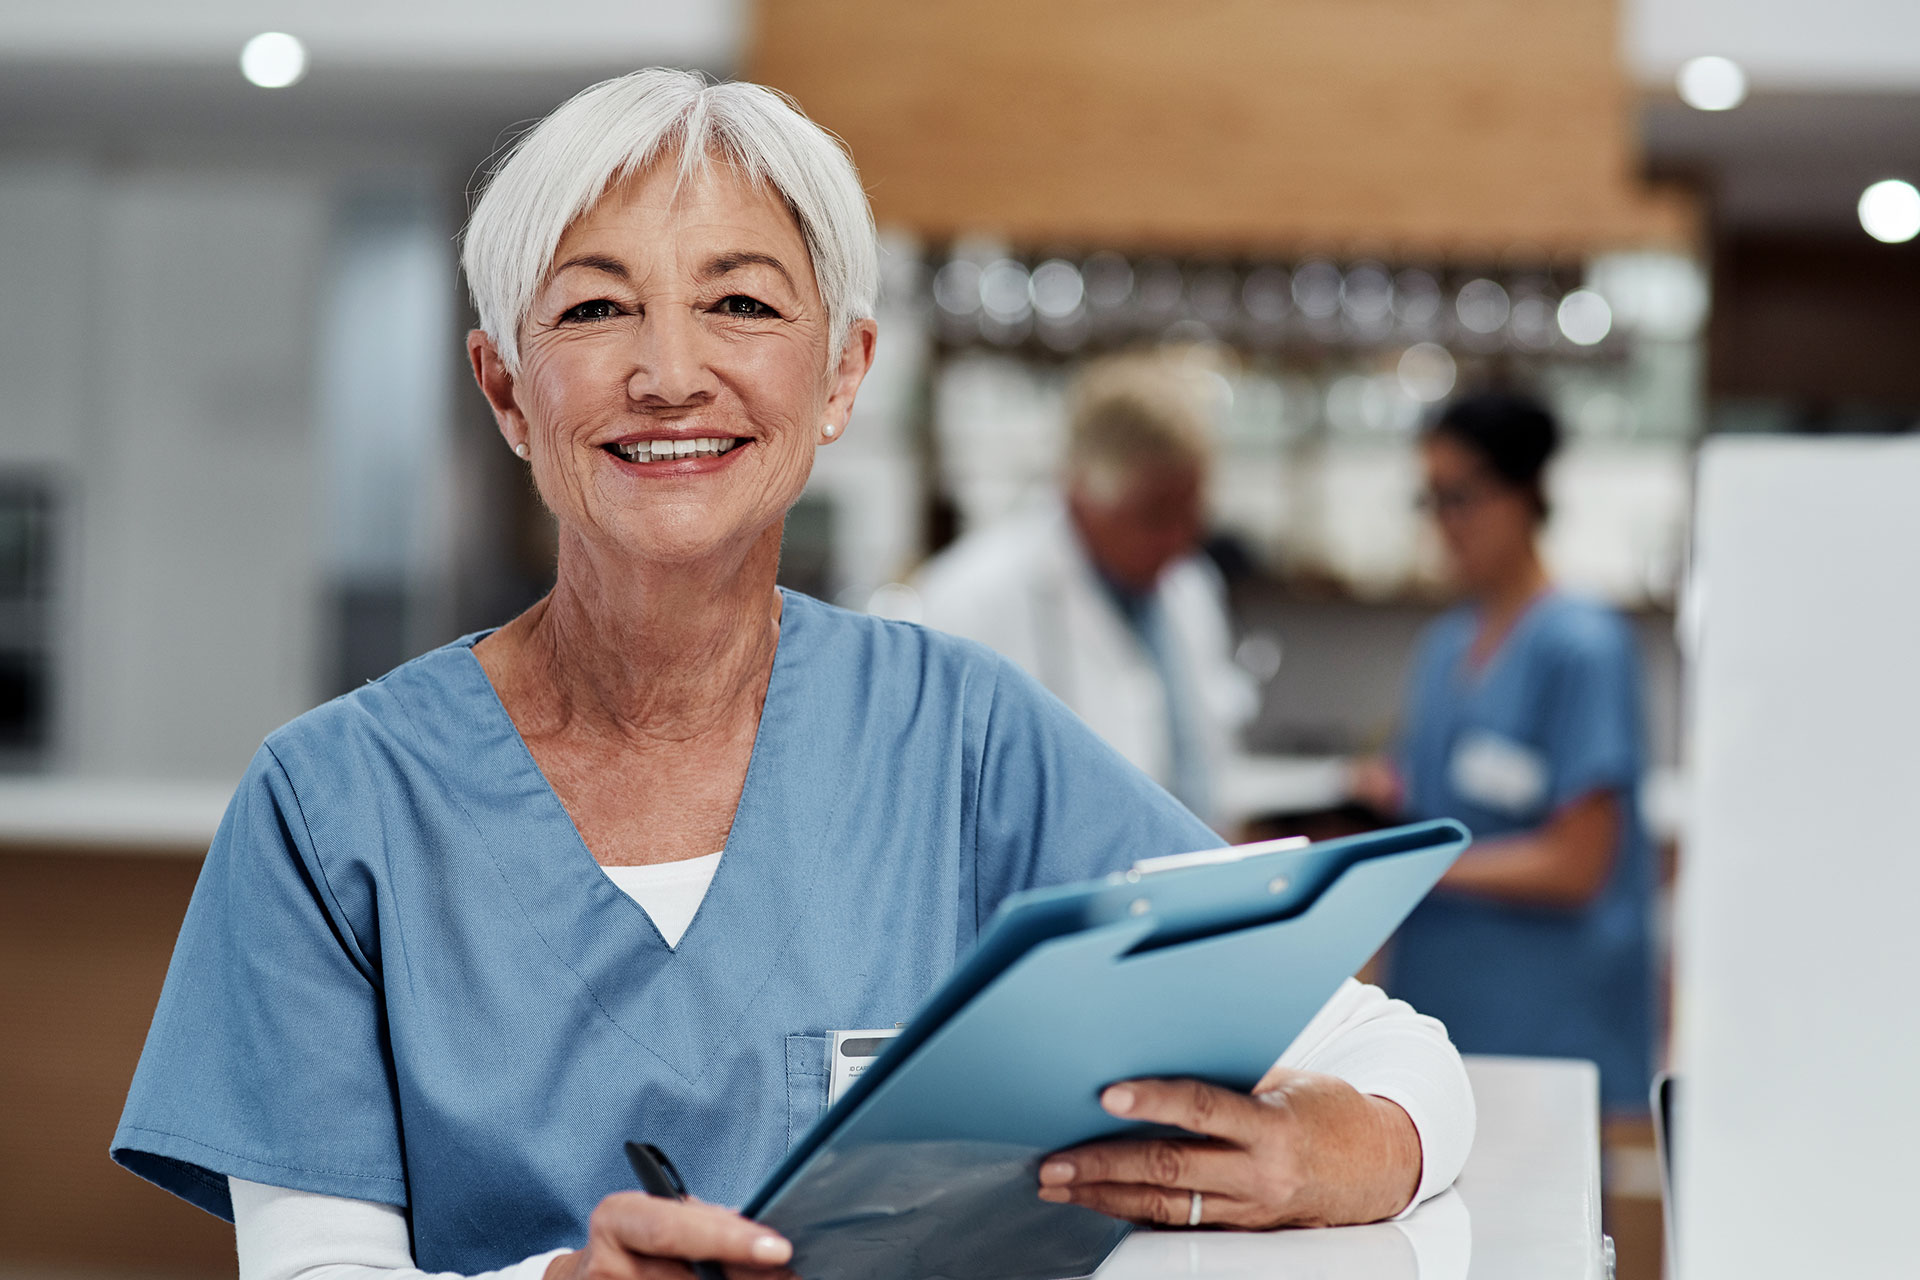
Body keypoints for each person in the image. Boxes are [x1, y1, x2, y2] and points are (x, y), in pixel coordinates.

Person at [112, 69, 1474, 1280]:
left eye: (741, 303)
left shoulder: (960, 736)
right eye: (595, 307)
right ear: (508, 390)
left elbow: (1390, 1049)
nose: (670, 372)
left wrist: (1336, 1151)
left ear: (840, 374)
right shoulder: (331, 807)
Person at [1353, 392, 1654, 1112]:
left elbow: (1579, 864)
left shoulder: (1580, 648)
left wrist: (1416, 868)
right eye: (1430, 500)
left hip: (1549, 1023)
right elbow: (1441, 797)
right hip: (1441, 1015)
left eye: (1460, 497)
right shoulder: (1445, 648)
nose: (1444, 523)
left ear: (1525, 494)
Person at [915, 355, 1254, 828]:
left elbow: (1210, 764)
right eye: (1156, 516)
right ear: (1083, 493)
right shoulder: (970, 598)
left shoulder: (1190, 587)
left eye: (1192, 515)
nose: (1179, 539)